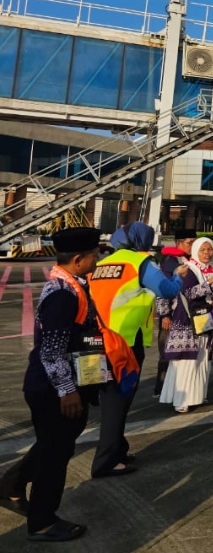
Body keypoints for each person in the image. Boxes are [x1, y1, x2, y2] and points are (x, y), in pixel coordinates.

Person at [0, 228, 103, 542]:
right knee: (54, 456)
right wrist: (67, 390)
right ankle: (42, 522)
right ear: (78, 259)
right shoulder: (62, 294)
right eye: (95, 254)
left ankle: (10, 485)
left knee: (51, 445)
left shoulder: (71, 284)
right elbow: (52, 350)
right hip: (52, 388)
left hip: (56, 383)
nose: (98, 259)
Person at [89, 221, 186, 479]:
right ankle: (105, 461)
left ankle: (118, 451)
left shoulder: (103, 263)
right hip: (125, 341)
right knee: (117, 401)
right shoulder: (140, 262)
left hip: (100, 338)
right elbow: (167, 290)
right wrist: (179, 276)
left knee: (111, 397)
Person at [159, 238, 213, 413]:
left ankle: (197, 395)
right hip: (186, 321)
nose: (207, 253)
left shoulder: (209, 271)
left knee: (202, 359)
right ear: (196, 250)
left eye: (210, 249)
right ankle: (181, 399)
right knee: (186, 360)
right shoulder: (188, 269)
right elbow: (188, 293)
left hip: (204, 320)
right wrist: (211, 283)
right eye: (203, 249)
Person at [154, 228, 196, 398]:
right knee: (166, 353)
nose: (192, 246)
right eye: (189, 243)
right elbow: (161, 289)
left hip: (186, 315)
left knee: (182, 352)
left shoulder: (189, 260)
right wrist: (164, 314)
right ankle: (160, 388)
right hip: (171, 316)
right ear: (178, 243)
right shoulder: (170, 262)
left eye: (195, 242)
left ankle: (180, 388)